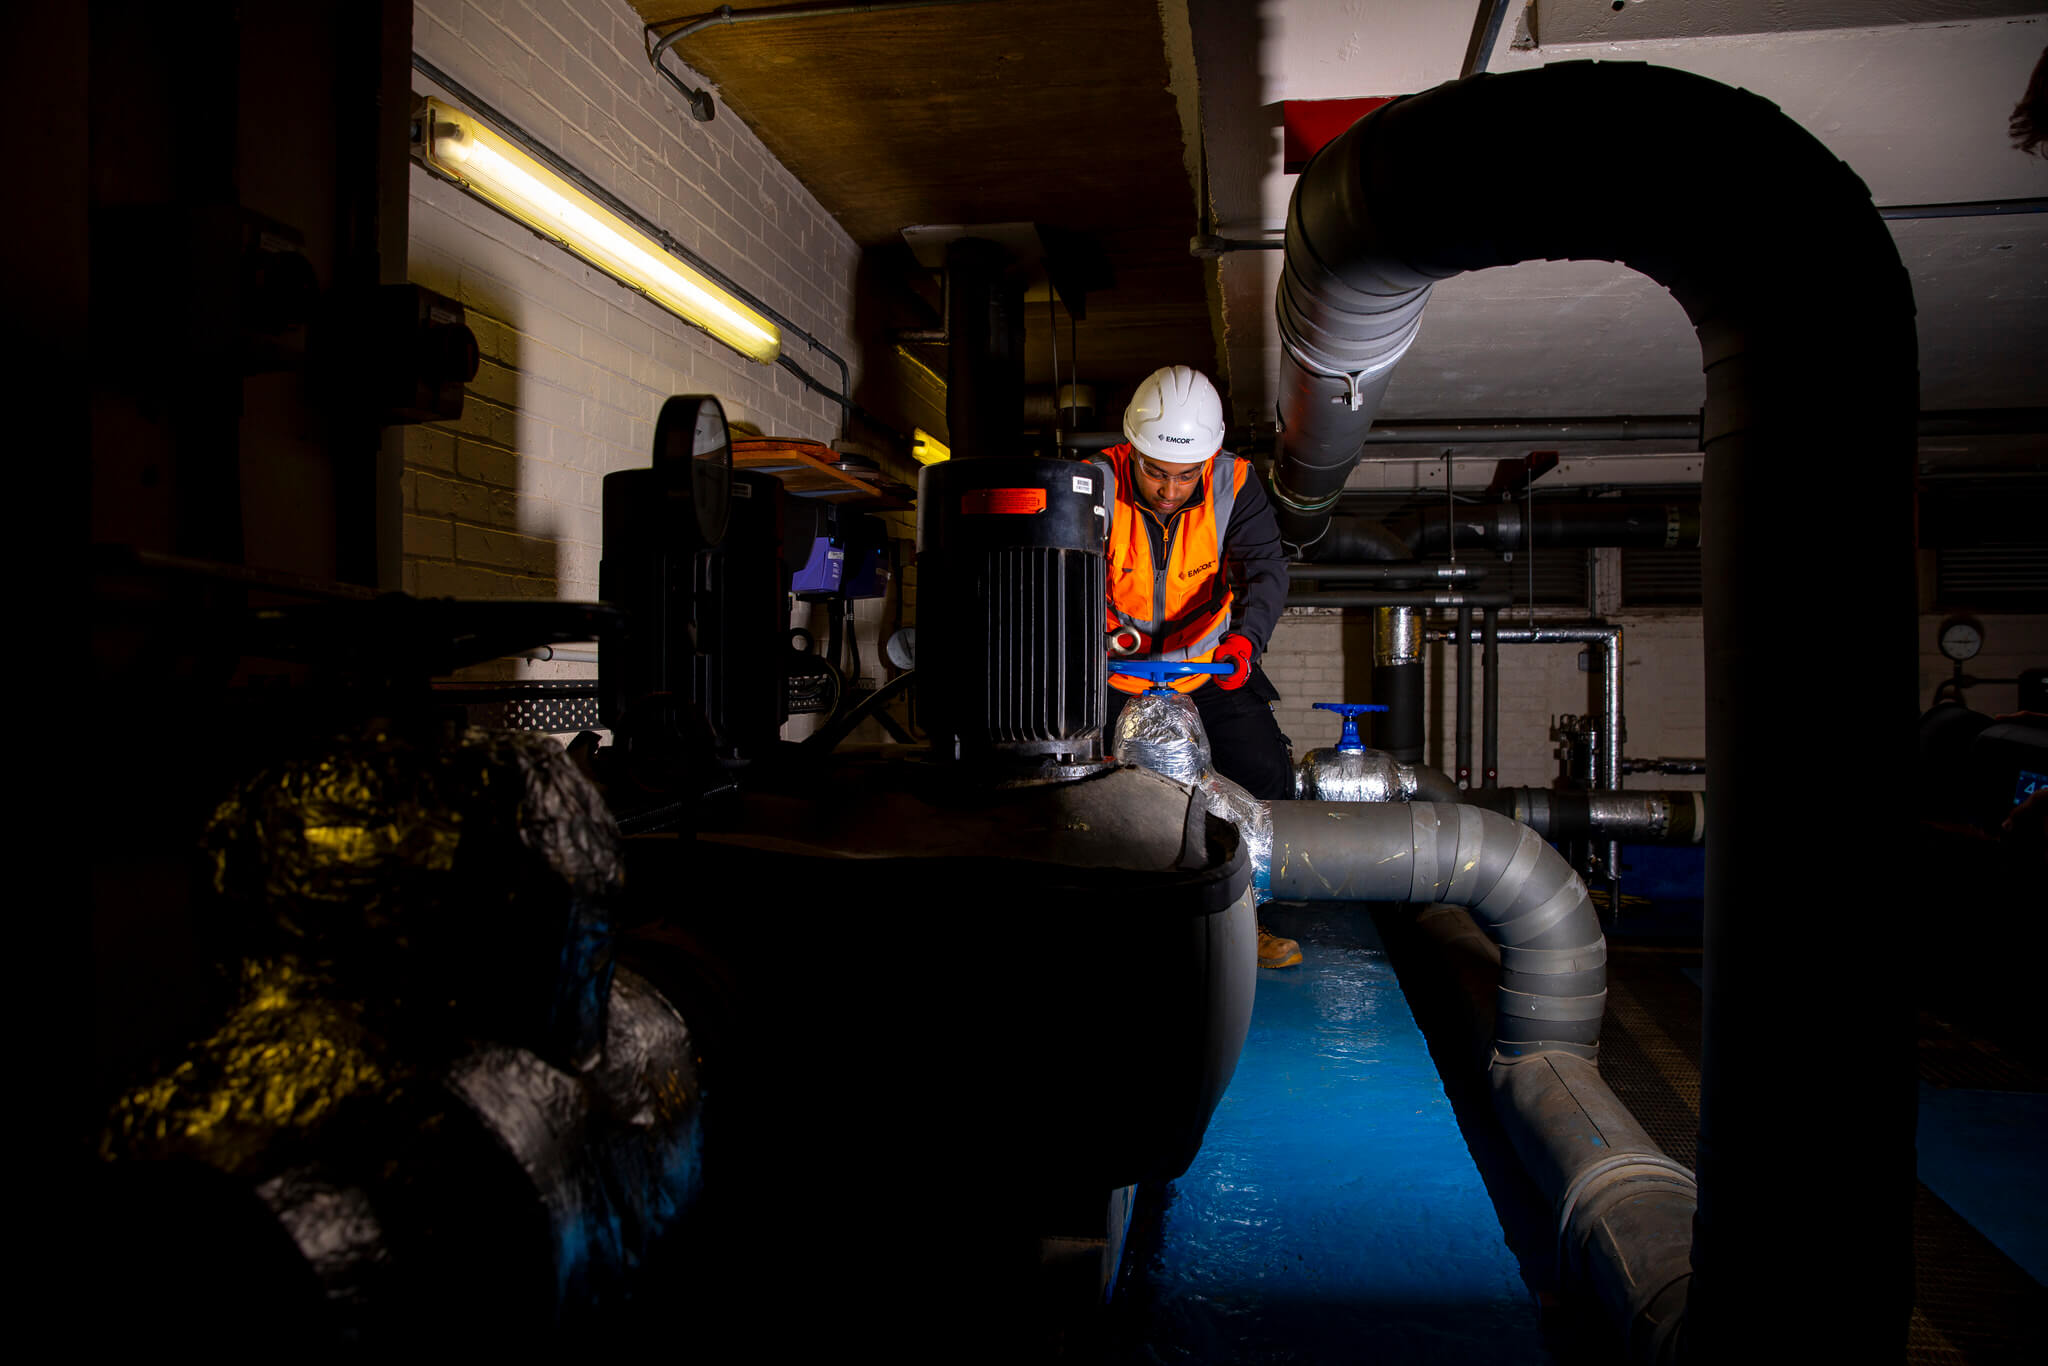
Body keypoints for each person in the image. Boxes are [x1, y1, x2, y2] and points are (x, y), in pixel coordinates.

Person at [1092, 365, 1301, 969]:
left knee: (1263, 771)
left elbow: (1267, 570)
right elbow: (1062, 571)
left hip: (1208, 667)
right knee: (1083, 785)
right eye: (1155, 471)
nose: (1168, 489)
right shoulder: (1094, 482)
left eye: (1184, 477)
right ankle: (1109, 918)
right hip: (1113, 673)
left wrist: (1245, 644)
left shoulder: (1236, 481)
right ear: (1132, 449)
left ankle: (1249, 920)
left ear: (1205, 463)